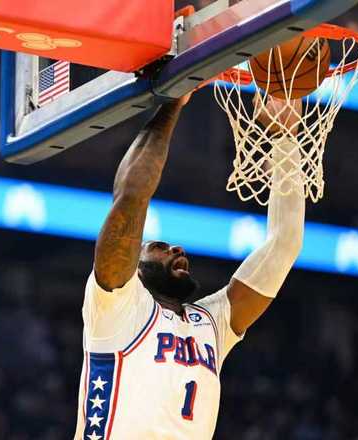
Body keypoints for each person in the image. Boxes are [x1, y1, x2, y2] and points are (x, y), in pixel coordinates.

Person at [73, 92, 305, 440]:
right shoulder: (116, 304)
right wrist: (173, 103)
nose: (176, 248)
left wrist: (285, 138)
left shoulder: (210, 322)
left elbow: (284, 243)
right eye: (159, 247)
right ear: (135, 268)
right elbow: (132, 195)